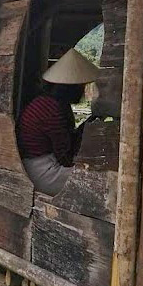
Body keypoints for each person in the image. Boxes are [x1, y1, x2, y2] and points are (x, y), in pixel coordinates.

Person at [17, 48, 100, 195]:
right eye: (81, 86)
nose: (83, 90)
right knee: (96, 179)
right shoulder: (51, 109)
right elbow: (64, 156)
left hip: (40, 165)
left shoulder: (49, 102)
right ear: (70, 87)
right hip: (43, 171)